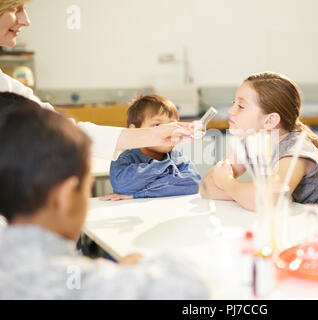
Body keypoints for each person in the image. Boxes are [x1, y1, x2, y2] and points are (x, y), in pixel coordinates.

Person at [0, 99, 210, 299]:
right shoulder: (85, 284)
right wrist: (131, 267)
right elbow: (191, 285)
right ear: (65, 197)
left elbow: (193, 181)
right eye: (86, 186)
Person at [0, 0, 195, 160]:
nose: (26, 20)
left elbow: (58, 130)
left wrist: (155, 134)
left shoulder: (7, 86)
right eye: (16, 9)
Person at [200, 72, 318, 211]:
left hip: (316, 230)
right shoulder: (250, 142)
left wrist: (226, 181)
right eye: (233, 103)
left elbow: (265, 201)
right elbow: (206, 186)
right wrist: (249, 194)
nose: (230, 110)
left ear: (270, 121)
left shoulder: (296, 151)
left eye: (241, 106)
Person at [101, 95, 201, 201]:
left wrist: (139, 193)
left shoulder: (176, 156)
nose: (168, 132)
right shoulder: (125, 159)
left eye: (172, 126)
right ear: (134, 131)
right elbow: (123, 187)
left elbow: (193, 183)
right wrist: (167, 170)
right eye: (157, 125)